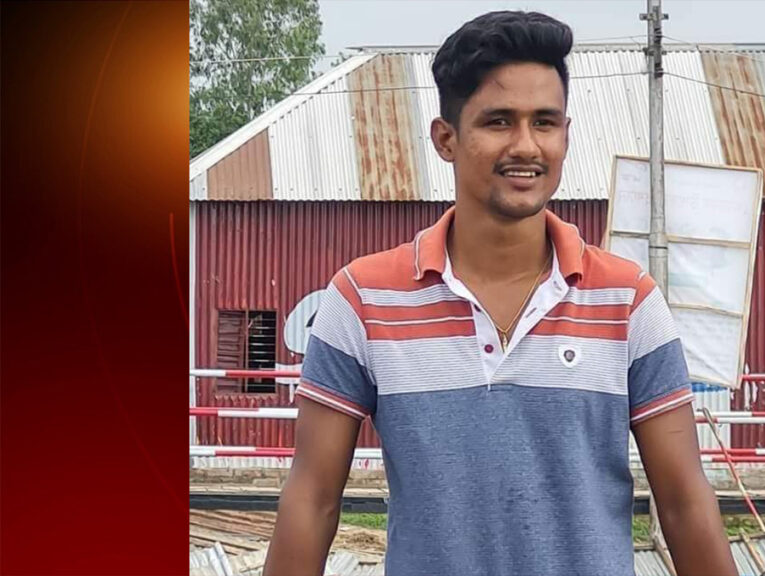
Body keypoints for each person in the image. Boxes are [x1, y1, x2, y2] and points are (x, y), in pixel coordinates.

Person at [265, 11, 736, 576]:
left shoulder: (628, 301)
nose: (526, 146)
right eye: (498, 122)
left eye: (545, 122)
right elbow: (313, 499)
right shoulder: (363, 300)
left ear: (566, 134)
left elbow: (684, 503)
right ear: (446, 138)